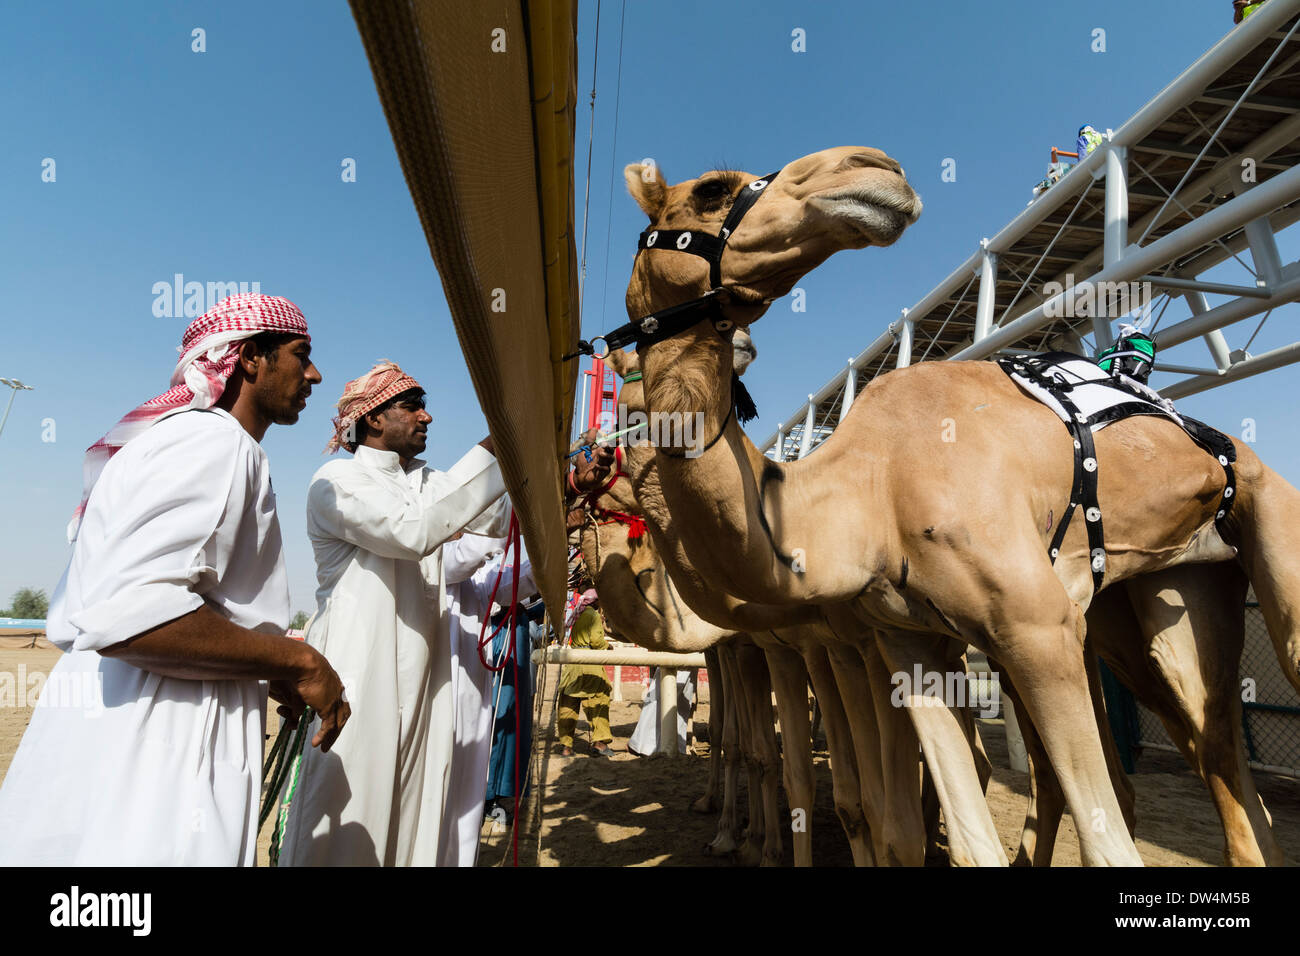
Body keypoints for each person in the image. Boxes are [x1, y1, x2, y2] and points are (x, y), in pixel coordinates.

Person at [0, 293, 350, 866]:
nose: (313, 373)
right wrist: (299, 663)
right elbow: (130, 616)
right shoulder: (214, 444)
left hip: (122, 720)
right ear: (249, 359)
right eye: (300, 353)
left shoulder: (183, 440)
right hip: (158, 737)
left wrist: (261, 665)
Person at [276, 361, 509, 866]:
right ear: (374, 419)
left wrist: (569, 481)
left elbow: (494, 520)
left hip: (426, 676)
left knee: (414, 812)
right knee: (350, 808)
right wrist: (497, 445)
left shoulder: (425, 482)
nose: (427, 418)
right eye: (412, 407)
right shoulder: (336, 481)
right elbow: (413, 532)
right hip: (357, 673)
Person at [438, 532, 536, 866]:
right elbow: (456, 561)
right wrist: (496, 531)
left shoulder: (480, 572)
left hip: (484, 664)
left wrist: (552, 534)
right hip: (437, 684)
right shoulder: (431, 551)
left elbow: (509, 584)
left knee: (497, 726)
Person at [557, 592, 614, 757]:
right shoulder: (593, 615)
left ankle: (566, 747)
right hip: (590, 664)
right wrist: (608, 646)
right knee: (599, 700)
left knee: (568, 705)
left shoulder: (576, 614)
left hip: (573, 664)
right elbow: (596, 641)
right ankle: (600, 743)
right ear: (596, 602)